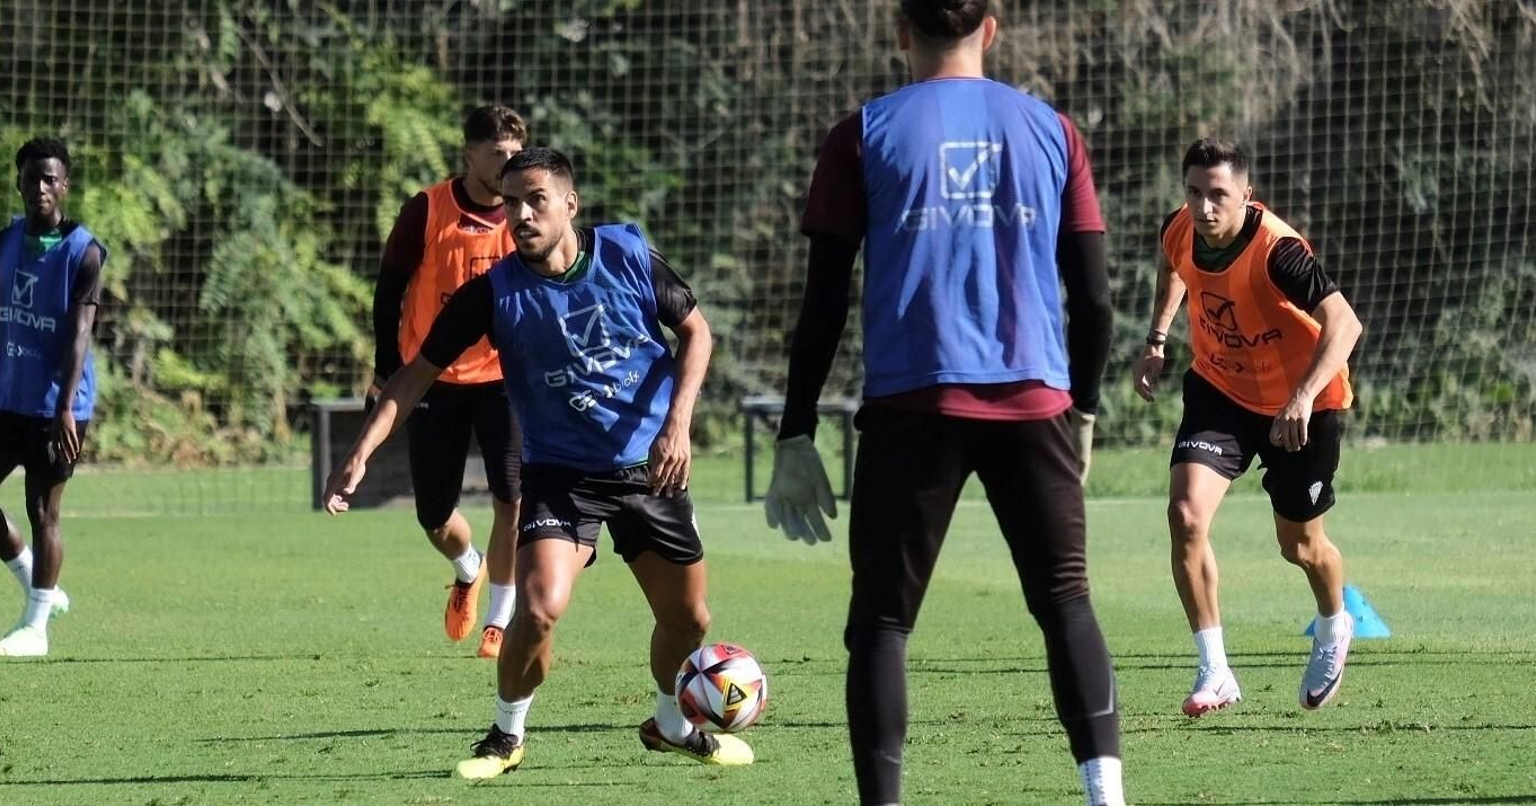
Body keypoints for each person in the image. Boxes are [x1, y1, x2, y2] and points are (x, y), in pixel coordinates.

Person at [762, 2, 1125, 804]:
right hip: (1037, 403)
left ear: (901, 30)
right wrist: (1085, 408)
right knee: (1066, 605)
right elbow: (1095, 303)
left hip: (912, 404)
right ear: (990, 29)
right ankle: (1107, 796)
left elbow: (823, 303)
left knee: (882, 626)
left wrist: (796, 432)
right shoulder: (1053, 130)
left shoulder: (863, 133)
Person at [324, 147, 750, 779]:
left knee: (688, 620)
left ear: (568, 205)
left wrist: (678, 423)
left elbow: (697, 332)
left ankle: (670, 723)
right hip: (561, 477)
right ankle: (505, 735)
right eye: (512, 201)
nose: (520, 213)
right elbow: (415, 377)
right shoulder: (492, 294)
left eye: (536, 200)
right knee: (540, 606)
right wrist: (360, 452)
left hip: (648, 468)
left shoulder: (627, 256)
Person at [1132, 137, 1363, 717]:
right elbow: (1173, 267)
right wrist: (1158, 337)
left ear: (1246, 196)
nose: (1204, 208)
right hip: (1222, 391)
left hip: (1303, 402)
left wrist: (1303, 396)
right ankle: (1215, 671)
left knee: (1301, 545)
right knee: (1185, 515)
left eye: (1218, 196)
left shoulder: (1276, 251)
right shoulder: (1180, 228)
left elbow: (1345, 323)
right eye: (1193, 193)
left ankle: (1334, 626)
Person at [371, 105, 526, 657]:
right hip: (434, 377)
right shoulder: (427, 210)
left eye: (516, 155)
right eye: (498, 155)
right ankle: (469, 567)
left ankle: (501, 619)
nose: (510, 166)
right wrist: (386, 369)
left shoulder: (524, 214)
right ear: (470, 155)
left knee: (513, 495)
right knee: (434, 513)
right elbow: (389, 289)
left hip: (503, 375)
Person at [0, 137, 105, 658]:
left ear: (65, 185)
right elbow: (0, 316)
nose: (41, 187)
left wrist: (65, 407)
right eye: (32, 177)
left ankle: (36, 627)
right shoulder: (4, 242)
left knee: (43, 509)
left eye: (51, 178)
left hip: (57, 407)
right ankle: (41, 589)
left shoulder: (83, 250)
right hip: (8, 401)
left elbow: (81, 334)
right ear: (18, 181)